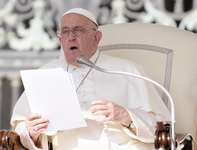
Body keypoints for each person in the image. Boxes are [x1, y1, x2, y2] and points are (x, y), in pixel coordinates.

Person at [11, 8, 171, 150]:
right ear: (61, 40)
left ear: (96, 37)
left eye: (78, 30)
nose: (71, 37)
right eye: (65, 32)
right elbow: (19, 134)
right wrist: (31, 132)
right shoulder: (45, 73)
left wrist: (123, 115)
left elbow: (161, 130)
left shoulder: (129, 70)